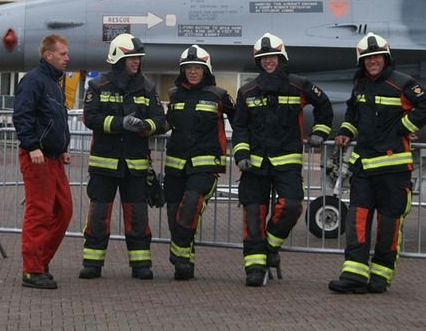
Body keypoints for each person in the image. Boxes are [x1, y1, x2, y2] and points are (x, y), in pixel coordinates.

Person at [328, 33, 426, 294]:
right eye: (367, 59)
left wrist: (403, 127)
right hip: (364, 168)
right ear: (362, 62)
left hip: (393, 170)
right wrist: (345, 132)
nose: (372, 62)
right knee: (357, 221)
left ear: (385, 58)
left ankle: (381, 276)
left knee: (389, 224)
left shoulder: (402, 83)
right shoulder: (361, 85)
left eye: (376, 57)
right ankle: (354, 274)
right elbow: (353, 113)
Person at [232, 33, 334, 287]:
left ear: (281, 58)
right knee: (253, 214)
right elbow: (240, 126)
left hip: (287, 163)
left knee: (291, 207)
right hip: (255, 165)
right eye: (264, 58)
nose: (268, 62)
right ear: (259, 62)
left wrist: (320, 132)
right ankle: (254, 266)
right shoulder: (247, 91)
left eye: (272, 58)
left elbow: (324, 106)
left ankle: (269, 247)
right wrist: (241, 154)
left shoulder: (299, 86)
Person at [79, 33, 166, 280]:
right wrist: (120, 123)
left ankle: (141, 265)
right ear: (118, 58)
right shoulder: (98, 86)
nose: (136, 62)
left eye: (138, 58)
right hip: (104, 165)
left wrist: (145, 125)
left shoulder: (147, 87)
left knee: (137, 215)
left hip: (136, 166)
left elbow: (161, 121)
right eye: (131, 58)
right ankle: (92, 264)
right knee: (98, 215)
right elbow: (90, 118)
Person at [164, 45, 235, 280]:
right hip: (175, 166)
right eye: (188, 68)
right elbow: (166, 123)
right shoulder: (174, 94)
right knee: (175, 215)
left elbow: (241, 123)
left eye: (197, 68)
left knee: (190, 207)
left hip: (205, 166)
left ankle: (180, 255)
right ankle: (185, 263)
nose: (193, 72)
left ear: (206, 70)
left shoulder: (219, 95)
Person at [12, 34, 73, 290]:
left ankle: (41, 261)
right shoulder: (33, 81)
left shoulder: (54, 84)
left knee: (64, 211)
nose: (67, 58)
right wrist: (32, 145)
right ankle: (32, 269)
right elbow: (22, 116)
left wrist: (61, 149)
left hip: (52, 158)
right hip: (36, 158)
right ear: (48, 55)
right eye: (62, 54)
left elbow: (54, 121)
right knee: (39, 212)